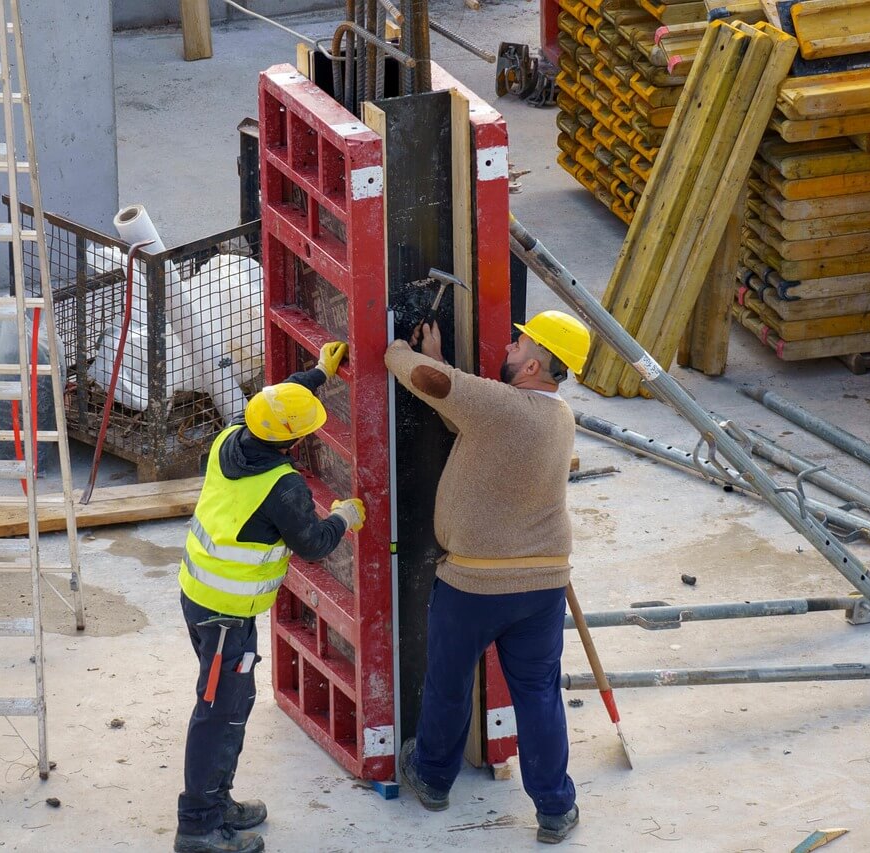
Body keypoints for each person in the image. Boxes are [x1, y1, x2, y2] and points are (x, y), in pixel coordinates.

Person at [384, 310, 592, 845]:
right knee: (538, 694)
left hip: (474, 584)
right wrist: (443, 366)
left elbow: (427, 382)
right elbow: (465, 414)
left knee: (449, 682)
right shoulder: (557, 414)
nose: (512, 345)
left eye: (521, 344)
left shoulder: (502, 406)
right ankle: (554, 807)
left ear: (535, 366)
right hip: (543, 584)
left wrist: (400, 351)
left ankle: (431, 776)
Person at [173, 342, 366, 853]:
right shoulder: (283, 488)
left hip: (202, 600)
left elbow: (276, 406)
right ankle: (197, 827)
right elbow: (314, 544)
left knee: (233, 705)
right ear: (294, 442)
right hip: (224, 616)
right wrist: (344, 516)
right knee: (218, 713)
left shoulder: (230, 438)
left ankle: (216, 802)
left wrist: (319, 374)